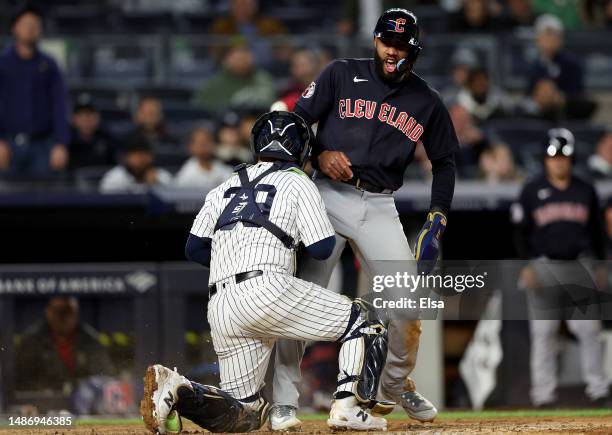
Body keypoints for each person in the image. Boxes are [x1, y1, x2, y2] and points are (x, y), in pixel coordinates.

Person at [140, 111, 391, 434]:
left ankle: (176, 388)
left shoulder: (224, 185)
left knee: (244, 414)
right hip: (267, 287)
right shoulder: (297, 181)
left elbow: (194, 249)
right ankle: (349, 408)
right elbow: (322, 248)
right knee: (366, 321)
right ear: (300, 150)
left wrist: (238, 257)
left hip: (221, 304)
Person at [272, 8, 459, 430]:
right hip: (325, 196)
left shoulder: (426, 100)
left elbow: (445, 162)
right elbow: (296, 122)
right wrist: (317, 154)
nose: (392, 51)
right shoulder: (341, 73)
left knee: (407, 303)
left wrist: (438, 215)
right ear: (375, 41)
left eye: (401, 45)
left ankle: (394, 386)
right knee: (301, 297)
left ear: (415, 50)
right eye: (385, 42)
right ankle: (284, 400)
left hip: (378, 204)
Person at [511, 127, 611, 407]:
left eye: (564, 156)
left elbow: (597, 231)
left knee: (589, 330)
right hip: (544, 265)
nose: (558, 161)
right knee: (544, 333)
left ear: (572, 158)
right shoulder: (531, 190)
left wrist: (601, 264)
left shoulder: (585, 189)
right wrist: (526, 265)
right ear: (544, 158)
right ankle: (543, 396)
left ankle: (598, 390)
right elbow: (519, 232)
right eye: (553, 156)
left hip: (579, 264)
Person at [0, 4, 69, 175]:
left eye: (35, 25)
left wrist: (61, 144)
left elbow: (59, 105)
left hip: (42, 145)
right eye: (26, 25)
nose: (31, 29)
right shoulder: (2, 64)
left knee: (43, 198)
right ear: (15, 28)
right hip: (8, 145)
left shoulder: (49, 65)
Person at [15, 296, 114, 391]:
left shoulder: (91, 341)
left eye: (68, 312)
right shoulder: (31, 341)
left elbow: (104, 378)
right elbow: (21, 383)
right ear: (48, 312)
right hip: (42, 403)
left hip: (85, 404)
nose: (63, 317)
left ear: (76, 313)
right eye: (58, 312)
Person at [193, 43, 276, 115]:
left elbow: (270, 103)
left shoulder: (263, 78)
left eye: (246, 55)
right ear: (226, 60)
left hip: (257, 120)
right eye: (239, 58)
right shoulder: (215, 83)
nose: (243, 61)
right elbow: (201, 108)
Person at [99, 137, 172, 193]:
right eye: (137, 155)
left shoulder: (162, 176)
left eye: (146, 154)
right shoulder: (114, 178)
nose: (142, 159)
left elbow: (172, 201)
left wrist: (156, 185)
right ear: (126, 157)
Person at [68, 94, 118, 169]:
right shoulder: (66, 141)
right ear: (74, 118)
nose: (86, 119)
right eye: (81, 115)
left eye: (90, 114)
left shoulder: (107, 138)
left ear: (98, 117)